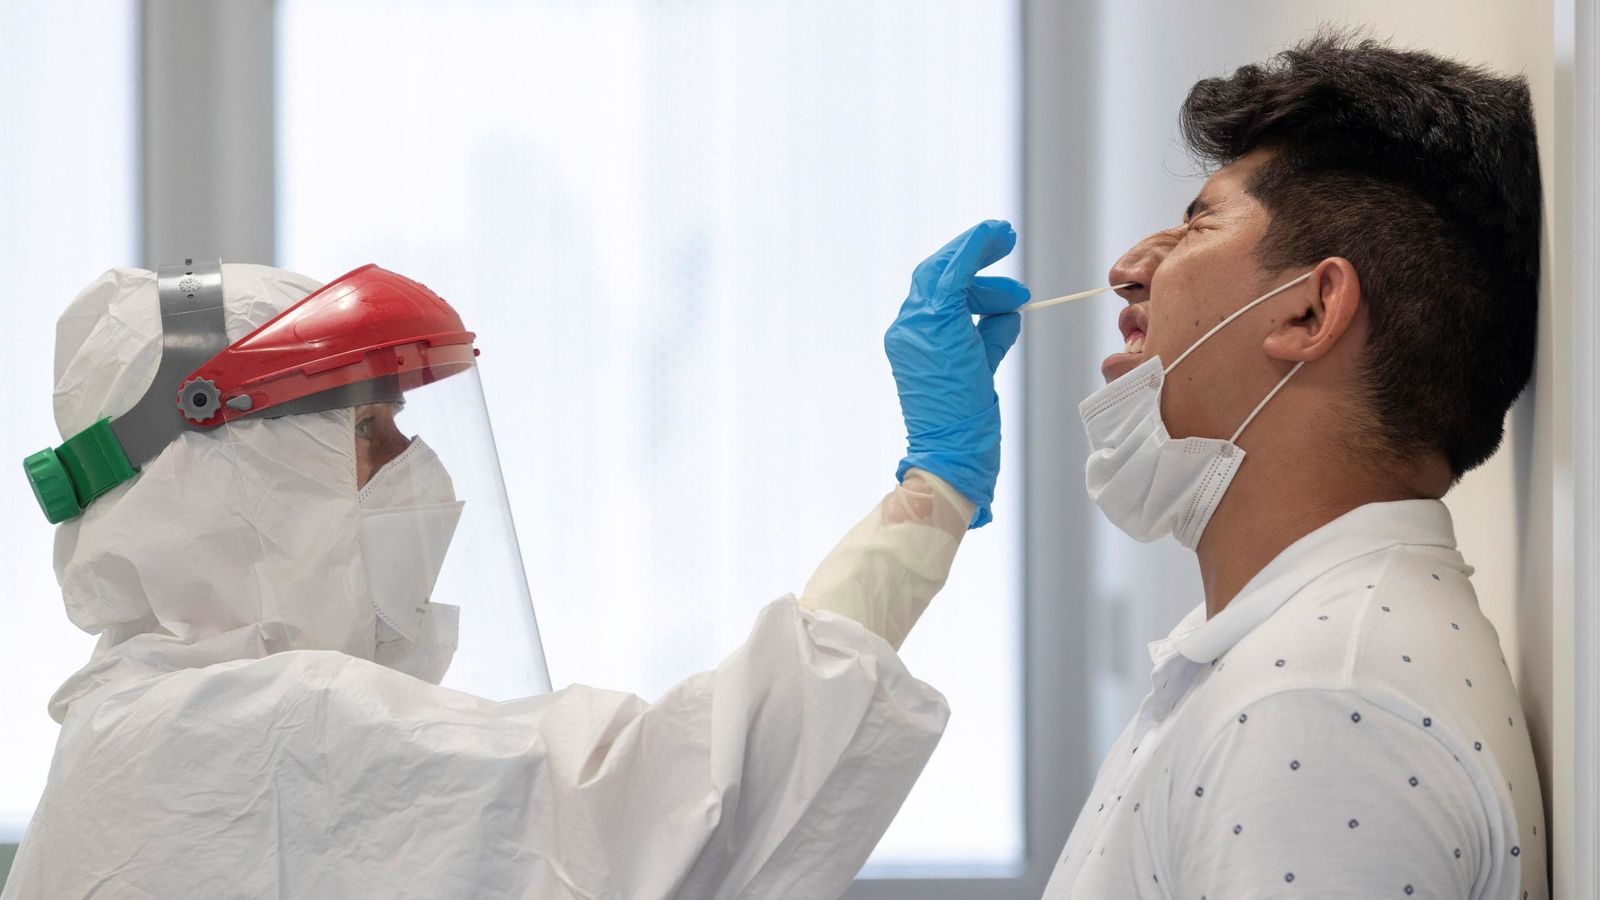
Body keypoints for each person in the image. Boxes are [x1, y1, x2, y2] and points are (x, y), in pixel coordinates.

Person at [5, 221, 1029, 899]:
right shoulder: (259, 731)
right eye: (371, 434)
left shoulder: (143, 723)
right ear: (227, 474)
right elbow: (693, 807)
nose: (416, 474)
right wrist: (929, 496)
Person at [1041, 30, 1546, 899]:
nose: (1129, 272)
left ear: (1311, 312)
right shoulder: (1306, 661)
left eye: (1198, 224)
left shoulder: (1321, 705)